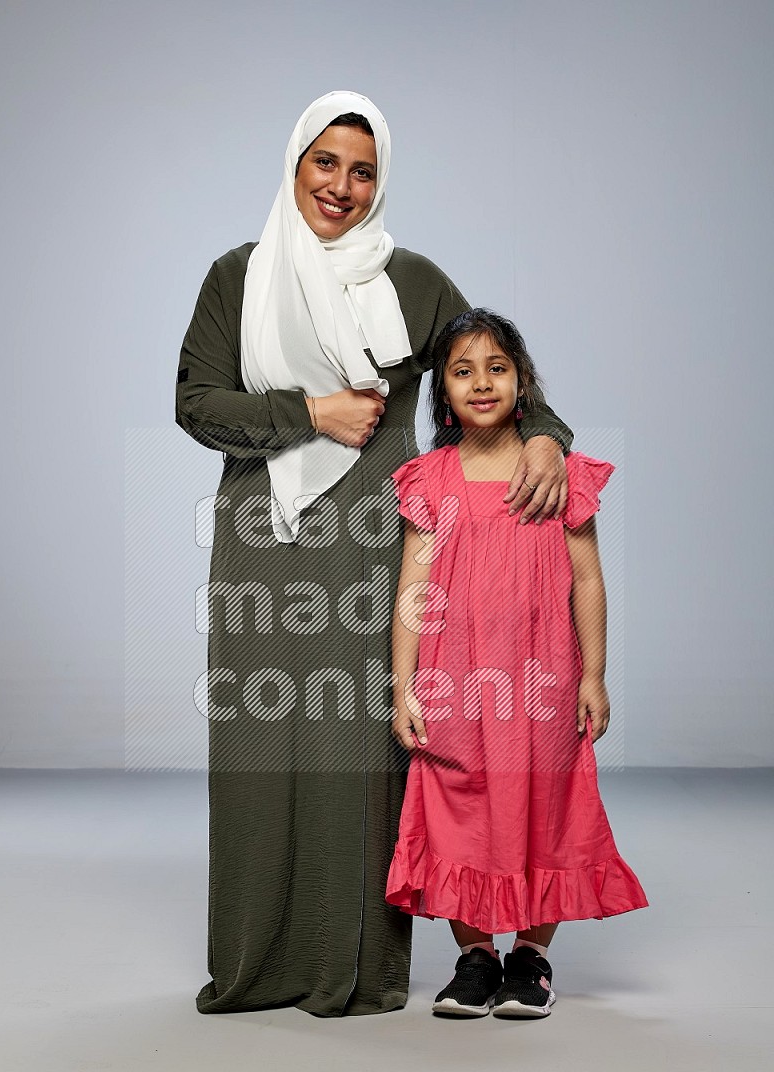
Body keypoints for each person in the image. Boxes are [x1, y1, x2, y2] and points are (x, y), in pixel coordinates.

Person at [176, 93, 574, 1018]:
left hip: (380, 545)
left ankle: (352, 964)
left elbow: (491, 367)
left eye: (363, 171)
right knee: (259, 740)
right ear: (295, 164)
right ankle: (255, 961)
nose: (342, 187)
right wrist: (307, 413)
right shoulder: (237, 277)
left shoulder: (415, 278)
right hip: (265, 537)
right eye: (326, 163)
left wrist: (546, 435)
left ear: (379, 180)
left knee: (364, 748)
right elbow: (196, 402)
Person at [387, 308, 647, 1018]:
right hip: (455, 682)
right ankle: (475, 957)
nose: (480, 383)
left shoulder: (557, 473)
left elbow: (588, 578)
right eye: (462, 372)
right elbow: (413, 585)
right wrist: (403, 683)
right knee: (456, 809)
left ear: (522, 383)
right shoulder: (429, 478)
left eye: (496, 368)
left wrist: (593, 674)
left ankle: (531, 959)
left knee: (548, 806)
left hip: (542, 681)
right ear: (442, 392)